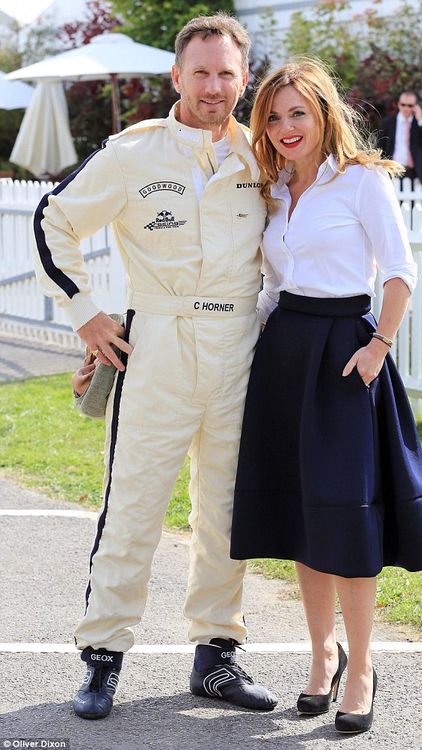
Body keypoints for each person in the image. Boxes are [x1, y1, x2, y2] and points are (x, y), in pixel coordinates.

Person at [32, 13, 277, 719]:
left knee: (228, 511)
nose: (212, 85)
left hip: (237, 347)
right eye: (199, 72)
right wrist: (86, 312)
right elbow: (54, 219)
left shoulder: (261, 156)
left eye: (226, 73)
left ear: (243, 77)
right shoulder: (133, 154)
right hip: (157, 345)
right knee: (134, 506)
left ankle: (217, 657)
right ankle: (103, 658)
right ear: (176, 76)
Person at [230, 59, 422, 734]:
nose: (286, 128)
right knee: (302, 516)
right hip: (286, 352)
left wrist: (379, 346)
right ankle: (323, 657)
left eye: (299, 113)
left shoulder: (363, 182)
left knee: (346, 516)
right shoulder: (275, 188)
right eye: (273, 116)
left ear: (323, 112)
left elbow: (401, 273)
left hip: (348, 356)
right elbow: (270, 285)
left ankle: (364, 665)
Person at [377, 91, 422, 184]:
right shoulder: (388, 123)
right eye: (403, 104)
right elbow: (380, 148)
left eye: (410, 106)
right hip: (393, 171)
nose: (406, 108)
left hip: (414, 173)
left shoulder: (420, 122)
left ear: (415, 106)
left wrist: (420, 119)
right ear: (398, 104)